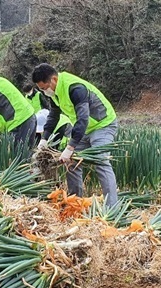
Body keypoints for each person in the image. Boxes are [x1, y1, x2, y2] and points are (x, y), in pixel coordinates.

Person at [32, 63, 118, 206]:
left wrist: (70, 147)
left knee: (100, 161)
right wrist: (44, 139)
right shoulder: (55, 93)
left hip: (103, 125)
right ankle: (74, 203)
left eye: (44, 87)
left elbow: (83, 118)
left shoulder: (75, 88)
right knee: (71, 163)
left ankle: (112, 209)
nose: (44, 91)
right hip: (84, 128)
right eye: (41, 89)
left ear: (53, 79)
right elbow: (53, 116)